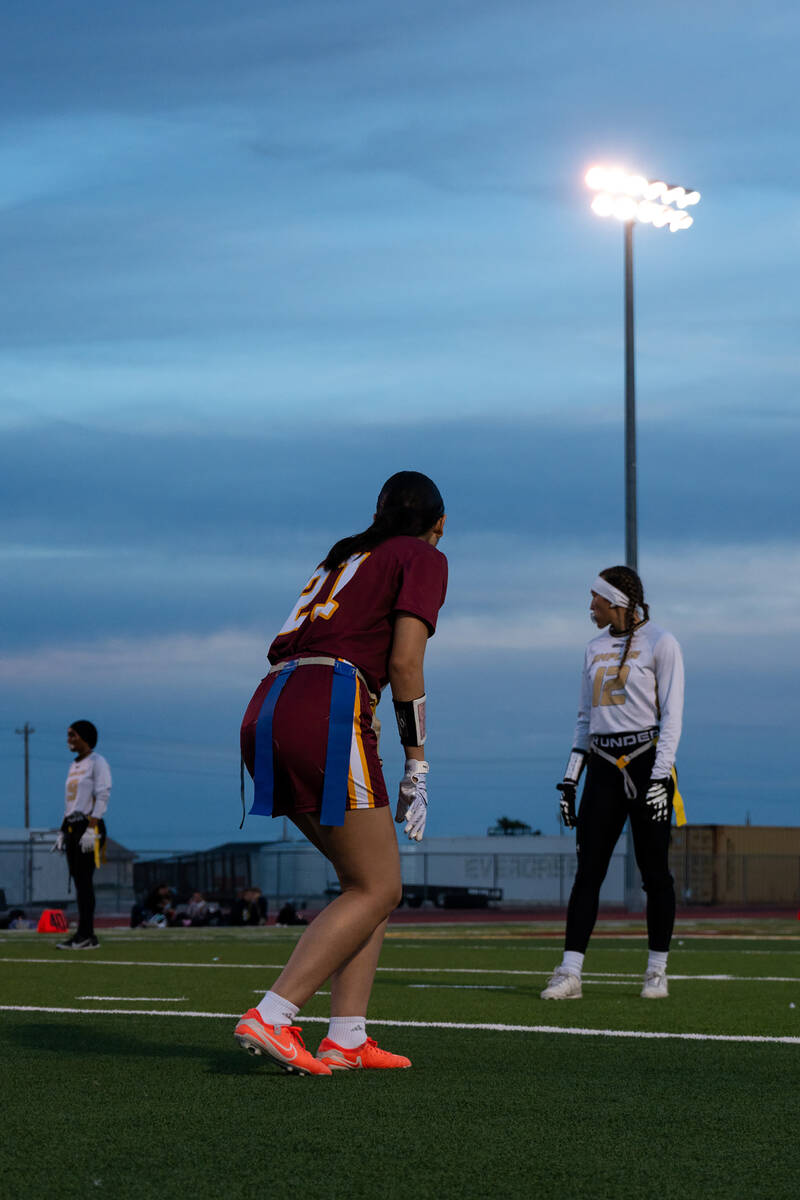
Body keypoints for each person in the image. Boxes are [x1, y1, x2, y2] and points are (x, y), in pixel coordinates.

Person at [236, 471, 447, 1075]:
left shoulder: (346, 553)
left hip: (270, 701)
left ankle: (347, 1035)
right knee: (379, 887)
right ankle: (273, 1014)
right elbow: (405, 662)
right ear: (438, 523)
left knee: (366, 881)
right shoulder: (421, 554)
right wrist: (418, 759)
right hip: (327, 702)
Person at [542, 566, 684, 1001]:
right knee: (588, 873)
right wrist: (570, 779)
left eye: (595, 599)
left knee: (655, 873)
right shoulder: (593, 649)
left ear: (616, 602)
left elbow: (672, 717)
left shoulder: (662, 642)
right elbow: (584, 720)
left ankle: (656, 971)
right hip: (601, 766)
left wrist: (661, 778)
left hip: (645, 764)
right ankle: (570, 972)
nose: (590, 607)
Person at [54, 720, 112, 950]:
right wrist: (62, 829)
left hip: (89, 826)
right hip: (72, 826)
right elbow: (72, 801)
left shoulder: (97, 762)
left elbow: (103, 793)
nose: (69, 739)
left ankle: (86, 935)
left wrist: (92, 827)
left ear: (85, 737)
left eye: (73, 734)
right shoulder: (74, 765)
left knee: (85, 882)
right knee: (78, 882)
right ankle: (84, 934)